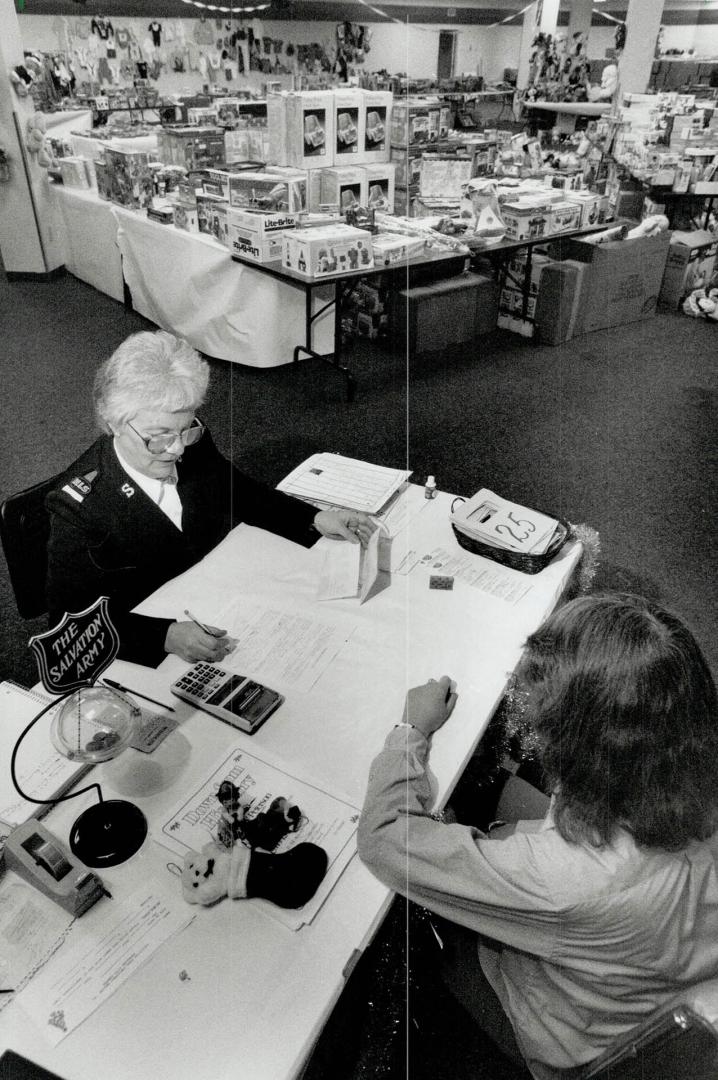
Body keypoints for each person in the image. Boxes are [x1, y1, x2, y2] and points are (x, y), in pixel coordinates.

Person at [357, 594, 718, 1079]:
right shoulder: (681, 765)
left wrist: (410, 728)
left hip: (569, 1029)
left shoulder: (564, 879)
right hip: (654, 964)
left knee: (398, 923)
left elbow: (383, 837)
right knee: (494, 794)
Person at [46, 331, 375, 666]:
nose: (176, 449)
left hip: (219, 597)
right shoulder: (78, 507)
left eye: (184, 429)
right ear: (113, 423)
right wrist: (162, 637)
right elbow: (68, 624)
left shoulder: (192, 439)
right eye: (158, 438)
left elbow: (237, 490)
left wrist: (314, 518)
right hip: (153, 637)